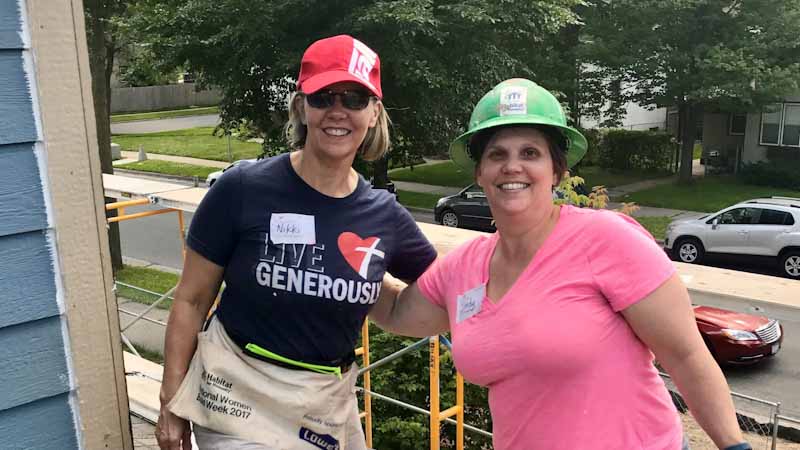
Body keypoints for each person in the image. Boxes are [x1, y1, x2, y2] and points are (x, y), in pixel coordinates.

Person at [370, 78, 751, 450]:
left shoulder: (608, 240)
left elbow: (685, 356)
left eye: (530, 153)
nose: (512, 166)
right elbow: (398, 312)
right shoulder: (462, 268)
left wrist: (733, 446)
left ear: (557, 170)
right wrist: (345, 261)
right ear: (479, 173)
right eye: (497, 154)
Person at [155, 35, 437, 450]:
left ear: (374, 113)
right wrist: (170, 399)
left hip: (324, 401)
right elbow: (192, 300)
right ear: (302, 106)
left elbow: (441, 286)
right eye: (323, 96)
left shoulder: (385, 216)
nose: (337, 110)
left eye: (355, 98)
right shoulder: (243, 189)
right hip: (234, 390)